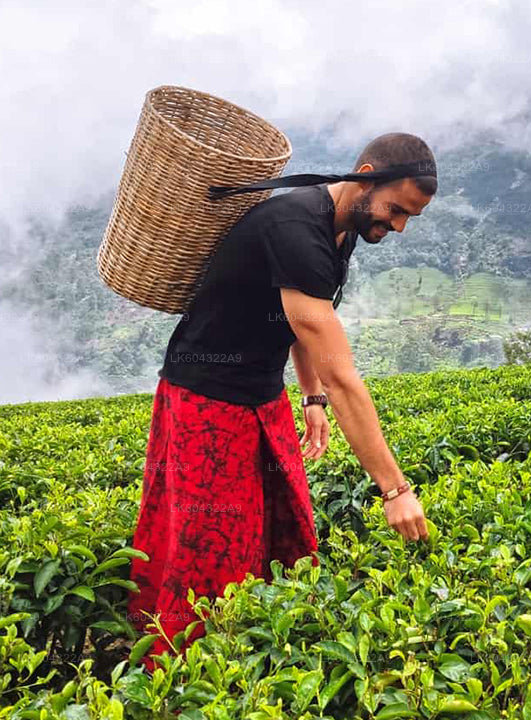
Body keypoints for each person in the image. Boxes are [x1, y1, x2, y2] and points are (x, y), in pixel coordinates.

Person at [126, 132, 436, 671]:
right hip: (207, 396)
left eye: (409, 216)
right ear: (365, 175)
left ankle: (260, 662)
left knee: (282, 525)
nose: (400, 226)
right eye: (396, 209)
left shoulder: (343, 227)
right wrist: (395, 489)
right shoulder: (295, 228)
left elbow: (298, 321)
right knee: (212, 550)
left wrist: (309, 395)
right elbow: (346, 378)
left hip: (261, 393)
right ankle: (178, 676)